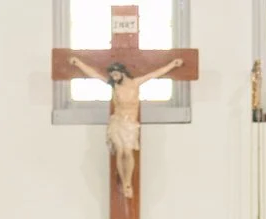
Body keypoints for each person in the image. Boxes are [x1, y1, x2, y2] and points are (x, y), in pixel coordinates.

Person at [66, 55, 185, 201]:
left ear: (122, 72)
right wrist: (78, 63)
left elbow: (155, 74)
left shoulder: (136, 83)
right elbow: (94, 74)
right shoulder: (114, 85)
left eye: (116, 74)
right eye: (112, 75)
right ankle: (124, 182)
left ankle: (127, 181)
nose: (114, 77)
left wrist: (173, 64)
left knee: (128, 153)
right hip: (117, 122)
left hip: (130, 124)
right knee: (120, 151)